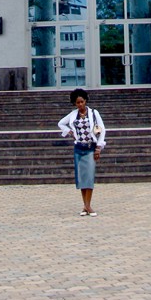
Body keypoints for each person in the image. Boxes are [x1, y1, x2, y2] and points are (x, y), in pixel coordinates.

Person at [58, 87, 106, 216]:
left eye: (82, 102)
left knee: (89, 176)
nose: (80, 105)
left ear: (86, 101)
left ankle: (88, 205)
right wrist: (70, 132)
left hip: (90, 148)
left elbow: (101, 130)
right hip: (79, 148)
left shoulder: (94, 114)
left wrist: (98, 148)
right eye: (77, 102)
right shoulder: (73, 115)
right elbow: (61, 123)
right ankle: (85, 205)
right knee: (81, 178)